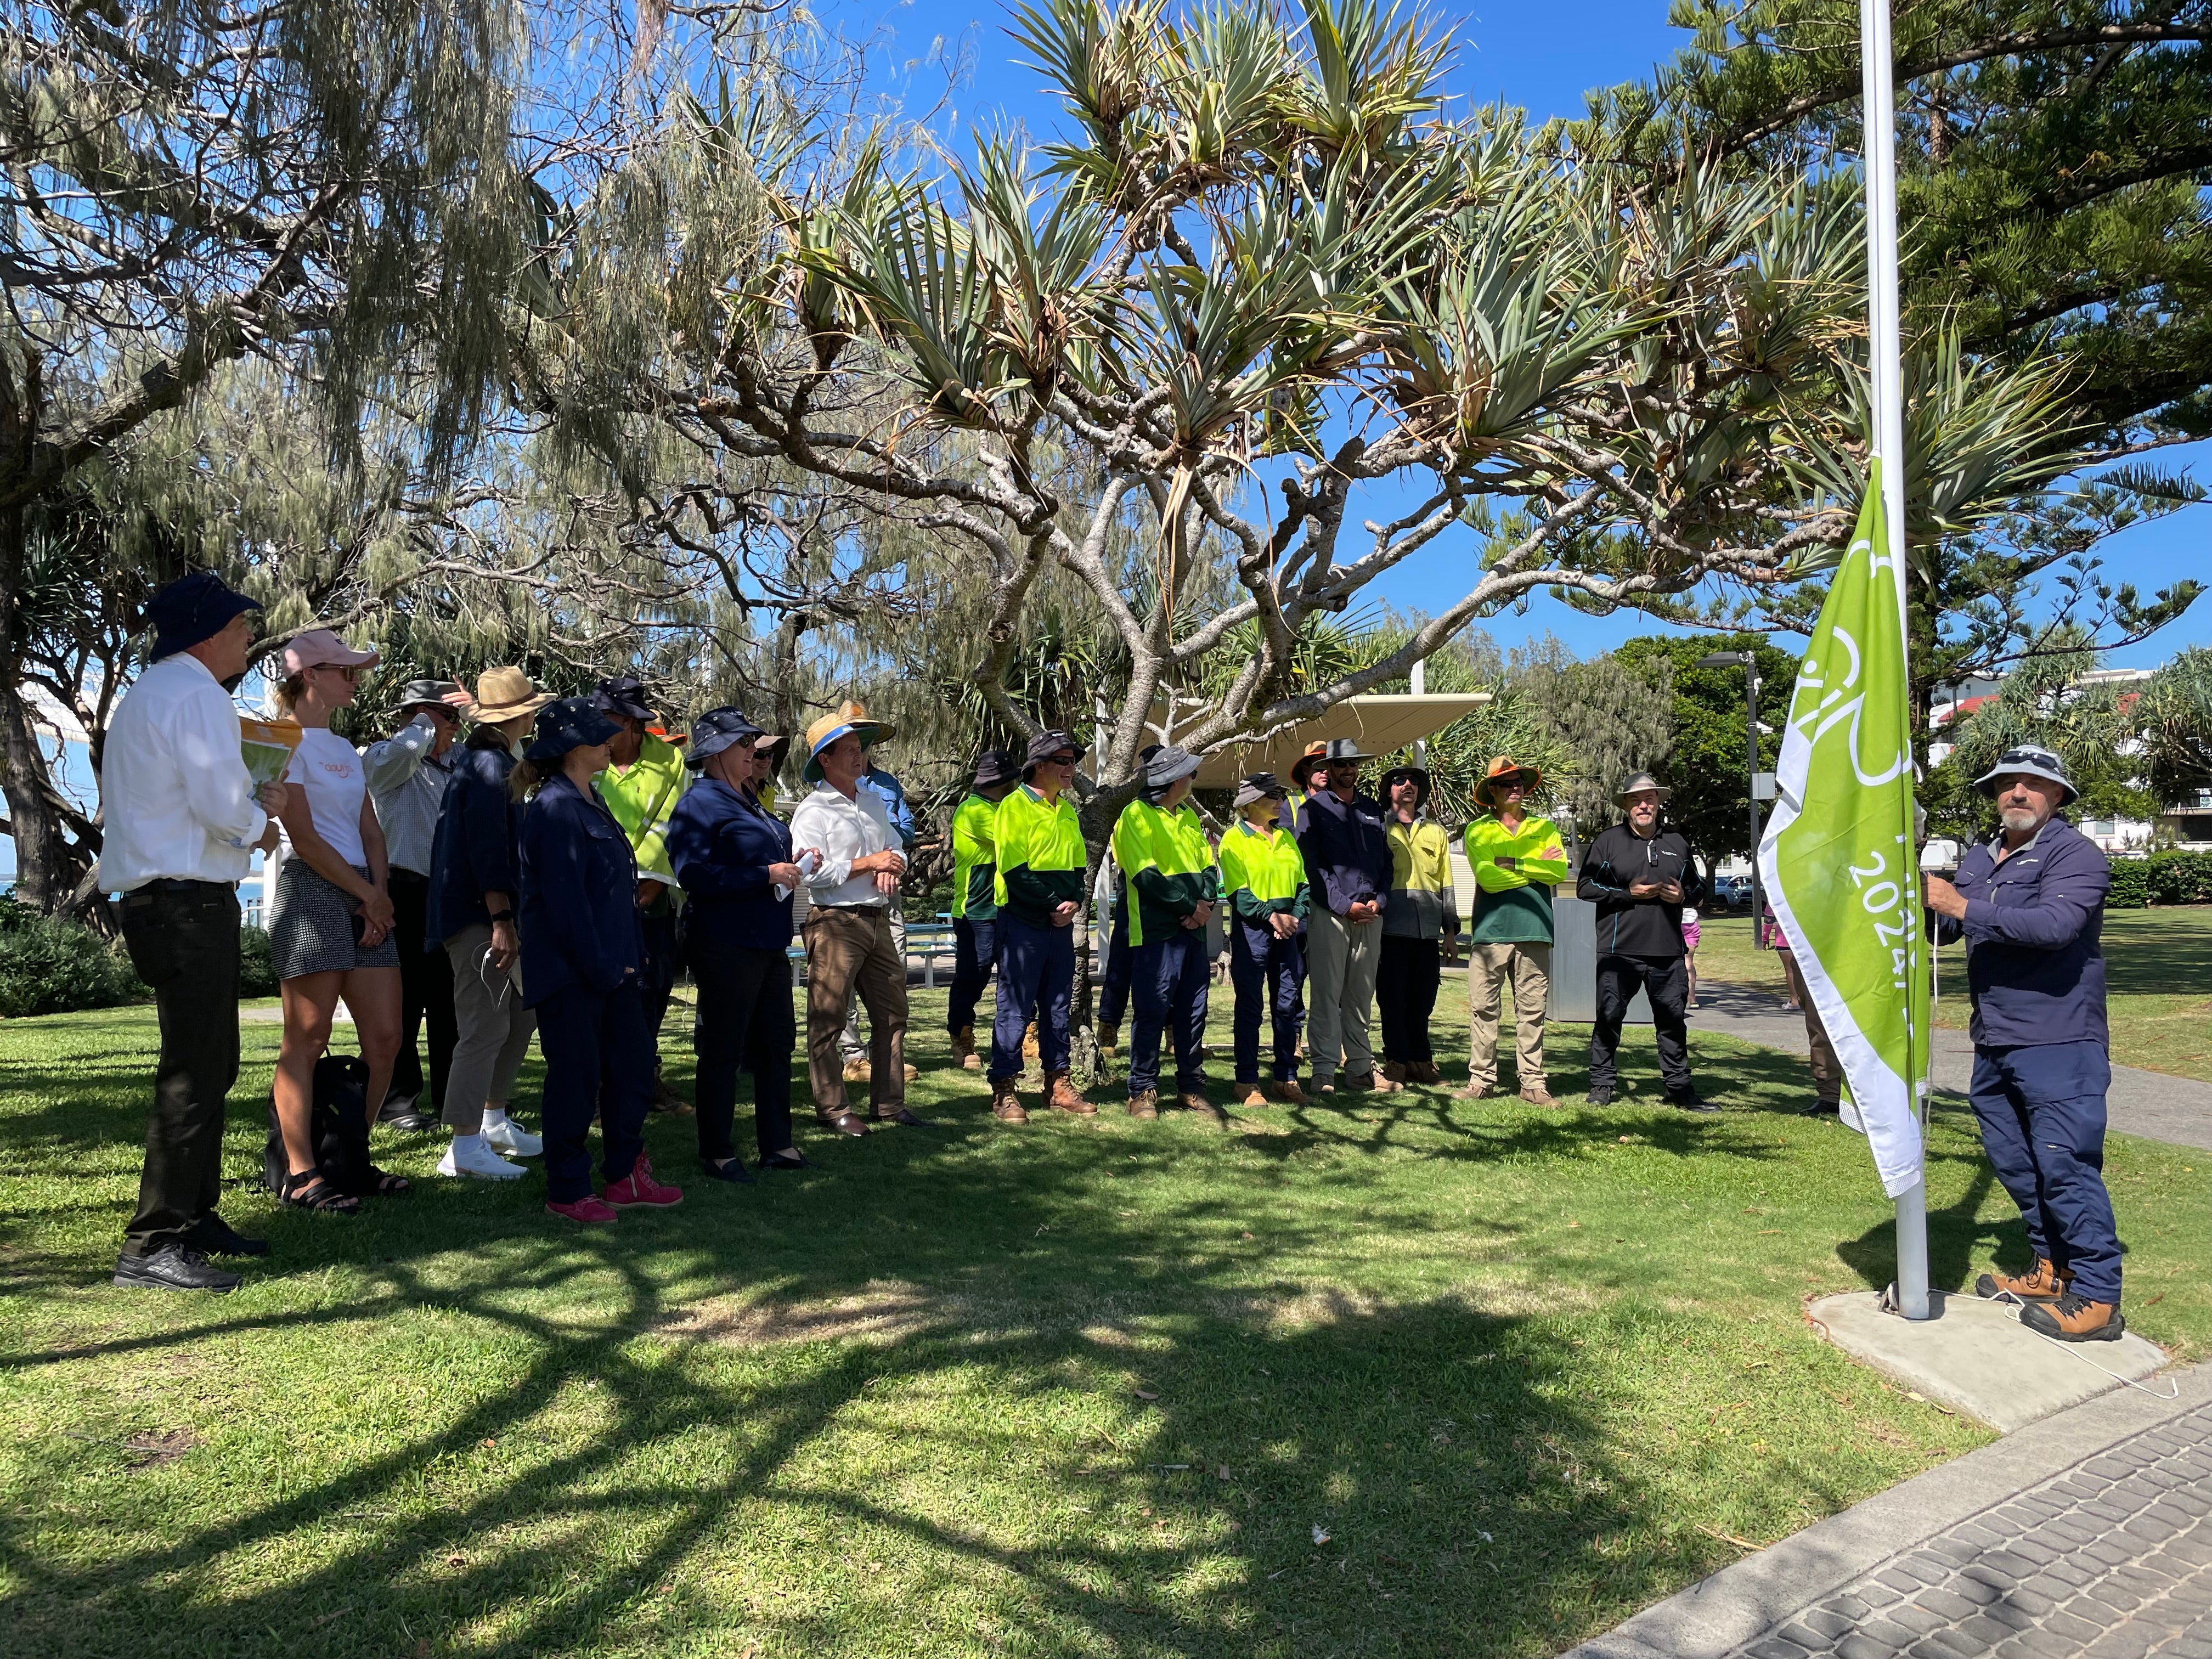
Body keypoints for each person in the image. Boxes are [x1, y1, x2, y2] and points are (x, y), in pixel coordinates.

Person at [104, 572, 289, 1291]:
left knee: (204, 1066)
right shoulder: (199, 697)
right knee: (193, 1073)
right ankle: (154, 1244)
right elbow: (219, 802)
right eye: (242, 626)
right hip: (187, 905)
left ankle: (192, 1218)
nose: (249, 637)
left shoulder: (149, 694)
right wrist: (260, 818)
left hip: (159, 903)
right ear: (209, 633)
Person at [1927, 745, 2126, 1342]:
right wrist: (1924, 899)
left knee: (2066, 1166)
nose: (2017, 793)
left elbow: (2055, 927)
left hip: (2061, 1042)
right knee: (2017, 1164)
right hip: (1995, 1041)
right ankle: (2054, 1268)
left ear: (2058, 795)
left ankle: (2099, 1296)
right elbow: (1948, 927)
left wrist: (1962, 903)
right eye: (2006, 784)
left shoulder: (2076, 856)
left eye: (2032, 785)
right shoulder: (1982, 857)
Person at [515, 697, 685, 1222]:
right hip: (575, 975)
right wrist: (602, 968)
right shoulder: (554, 808)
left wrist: (627, 962)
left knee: (631, 1072)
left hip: (616, 969)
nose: (610, 740)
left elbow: (616, 891)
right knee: (575, 1078)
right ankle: (568, 1189)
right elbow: (566, 907)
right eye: (599, 735)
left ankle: (624, 1175)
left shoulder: (591, 800)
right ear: (572, 748)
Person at [264, 629, 408, 1212]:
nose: (354, 678)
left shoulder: (346, 750)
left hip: (362, 891)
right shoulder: (283, 743)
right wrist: (367, 897)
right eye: (344, 669)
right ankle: (301, 1172)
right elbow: (304, 836)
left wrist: (378, 894)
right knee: (308, 1037)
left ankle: (351, 1156)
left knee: (386, 1037)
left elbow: (369, 829)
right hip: (313, 889)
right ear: (310, 676)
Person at [667, 708, 814, 1179]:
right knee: (725, 1047)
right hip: (724, 940)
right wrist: (763, 874)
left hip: (768, 939)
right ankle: (717, 1149)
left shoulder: (751, 801)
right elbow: (692, 874)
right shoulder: (700, 803)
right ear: (715, 752)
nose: (754, 750)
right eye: (744, 743)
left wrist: (796, 864)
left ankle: (778, 1144)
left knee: (776, 1043)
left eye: (753, 742)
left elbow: (763, 860)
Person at [426, 667, 552, 1179]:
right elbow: (486, 850)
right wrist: (501, 917)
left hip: (497, 914)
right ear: (521, 714)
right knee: (484, 1025)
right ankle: (462, 1146)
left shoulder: (497, 761)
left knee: (521, 1015)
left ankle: (493, 1119)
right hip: (480, 915)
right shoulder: (486, 765)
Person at [790, 710, 923, 1134]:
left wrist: (893, 865)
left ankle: (889, 1104)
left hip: (876, 917)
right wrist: (871, 863)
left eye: (859, 749)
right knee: (828, 1019)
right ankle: (833, 1110)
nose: (858, 757)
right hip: (834, 921)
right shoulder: (813, 810)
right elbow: (811, 872)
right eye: (847, 750)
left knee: (892, 1014)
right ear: (824, 761)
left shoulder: (870, 801)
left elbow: (896, 846)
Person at [363, 678, 467, 1132]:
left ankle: (454, 1097)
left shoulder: (462, 761)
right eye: (446, 719)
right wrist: (425, 722)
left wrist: (477, 717)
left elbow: (511, 768)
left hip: (451, 891)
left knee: (452, 1002)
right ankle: (398, 1102)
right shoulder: (386, 755)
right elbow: (391, 764)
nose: (451, 729)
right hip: (403, 890)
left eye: (452, 720)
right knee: (402, 1002)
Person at [1578, 773, 1711, 1110]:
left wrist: (1683, 895)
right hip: (1618, 950)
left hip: (1667, 951)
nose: (1643, 806)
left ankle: (1679, 1089)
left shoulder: (1678, 843)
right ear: (1625, 805)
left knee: (1672, 1021)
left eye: (1649, 799)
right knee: (1609, 1017)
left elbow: (1698, 891)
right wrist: (1627, 894)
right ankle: (1602, 1085)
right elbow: (1585, 887)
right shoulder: (1608, 842)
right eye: (1636, 800)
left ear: (1658, 803)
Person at [592, 676, 692, 1115]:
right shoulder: (586, 757)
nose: (602, 729)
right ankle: (598, 1085)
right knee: (599, 991)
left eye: (610, 721)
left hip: (653, 897)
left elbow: (673, 822)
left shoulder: (670, 759)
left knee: (651, 990)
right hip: (595, 897)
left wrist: (651, 882)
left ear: (634, 725)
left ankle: (644, 1081)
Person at [1112, 746, 1222, 1124]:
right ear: (1176, 779)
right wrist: (1190, 908)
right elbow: (1144, 876)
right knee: (1152, 1012)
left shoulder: (1190, 816)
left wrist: (1202, 903)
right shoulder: (1134, 816)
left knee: (1194, 1012)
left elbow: (1210, 865)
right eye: (1190, 773)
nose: (1194, 778)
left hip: (1193, 931)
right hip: (1155, 934)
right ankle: (1141, 1092)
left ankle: (1192, 1088)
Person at [988, 730, 1093, 1123]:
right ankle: (1004, 1088)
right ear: (1039, 766)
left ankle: (1058, 1083)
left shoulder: (1066, 810)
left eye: (1073, 761)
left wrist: (1074, 903)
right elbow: (1014, 872)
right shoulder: (1013, 808)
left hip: (1060, 926)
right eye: (1062, 761)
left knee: (1058, 1007)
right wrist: (1054, 905)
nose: (1070, 768)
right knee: (1014, 1008)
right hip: (1022, 922)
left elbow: (1078, 868)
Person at [1461, 758, 1571, 1105]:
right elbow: (1488, 880)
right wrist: (1536, 866)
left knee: (1533, 1010)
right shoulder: (1477, 830)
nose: (1515, 787)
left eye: (1519, 781)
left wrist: (1513, 863)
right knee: (1484, 1009)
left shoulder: (1545, 827)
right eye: (1506, 783)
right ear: (1492, 791)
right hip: (1490, 931)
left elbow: (1558, 872)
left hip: (1535, 929)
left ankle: (1533, 1082)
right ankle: (1481, 1079)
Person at [1295, 738, 1392, 1094]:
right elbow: (1313, 866)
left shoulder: (1372, 809)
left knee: (1360, 996)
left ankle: (1361, 1069)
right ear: (1329, 769)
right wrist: (1342, 905)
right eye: (1341, 766)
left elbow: (1386, 861)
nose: (1348, 770)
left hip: (1370, 915)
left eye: (1353, 765)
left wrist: (1379, 901)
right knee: (1326, 994)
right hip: (1332, 914)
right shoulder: (1313, 809)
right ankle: (1323, 1071)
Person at [834, 700, 920, 1085]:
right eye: (852, 737)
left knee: (893, 969)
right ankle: (853, 1056)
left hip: (890, 892)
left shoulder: (886, 785)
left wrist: (891, 861)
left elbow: (905, 829)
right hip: (849, 897)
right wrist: (874, 860)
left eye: (864, 737)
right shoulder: (830, 786)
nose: (859, 745)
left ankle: (887, 1055)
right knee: (847, 975)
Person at [1218, 773, 1309, 1108]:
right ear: (1251, 804)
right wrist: (1273, 917)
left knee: (1287, 1006)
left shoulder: (1286, 837)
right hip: (1253, 932)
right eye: (1273, 795)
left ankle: (1286, 1077)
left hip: (1288, 929)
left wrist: (1294, 917)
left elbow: (1304, 885)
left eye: (1281, 794)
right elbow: (1239, 894)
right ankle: (1247, 1081)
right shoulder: (1233, 839)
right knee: (1250, 1008)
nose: (1280, 799)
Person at [1377, 763, 1457, 1087]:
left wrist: (1450, 933)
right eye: (1399, 781)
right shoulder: (1379, 827)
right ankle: (1396, 1061)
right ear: (1389, 790)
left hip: (1427, 931)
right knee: (1392, 997)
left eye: (1414, 781)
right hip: (1389, 929)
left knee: (1424, 998)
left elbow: (1446, 883)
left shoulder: (1436, 832)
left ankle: (1421, 1061)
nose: (1407, 785)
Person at [948, 750, 1020, 1069]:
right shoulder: (973, 810)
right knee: (972, 977)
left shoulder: (1007, 807)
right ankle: (961, 1037)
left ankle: (1020, 1037)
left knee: (1017, 974)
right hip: (976, 910)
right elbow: (1017, 838)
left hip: (1009, 906)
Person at [1094, 743, 1161, 1057]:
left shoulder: (1180, 811)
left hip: (1170, 898)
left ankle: (1174, 1036)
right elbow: (1127, 859)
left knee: (1168, 970)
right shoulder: (1130, 810)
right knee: (1122, 964)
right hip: (1133, 892)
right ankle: (1108, 1027)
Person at [1769, 910, 1842, 1116]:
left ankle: (1873, 1092)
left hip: (1859, 946)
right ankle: (1830, 1096)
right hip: (1811, 951)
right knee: (1819, 1027)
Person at [1681, 905, 1701, 1008]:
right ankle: (1692, 997)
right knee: (1688, 960)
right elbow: (1700, 902)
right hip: (1691, 922)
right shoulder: (1692, 889)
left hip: (1674, 921)